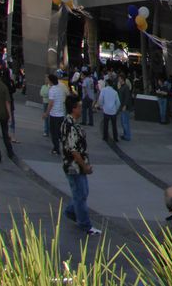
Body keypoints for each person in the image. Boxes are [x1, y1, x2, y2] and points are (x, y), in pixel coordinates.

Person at [60, 95, 102, 236]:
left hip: (73, 166)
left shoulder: (68, 123)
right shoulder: (71, 126)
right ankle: (85, 225)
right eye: (79, 106)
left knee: (81, 193)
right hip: (74, 167)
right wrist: (84, 166)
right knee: (80, 195)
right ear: (74, 108)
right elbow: (74, 151)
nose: (81, 109)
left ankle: (71, 211)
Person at [47, 71, 67, 156]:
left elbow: (51, 103)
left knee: (54, 132)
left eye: (48, 80)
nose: (47, 81)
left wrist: (46, 113)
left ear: (51, 81)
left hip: (54, 114)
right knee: (59, 132)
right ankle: (64, 147)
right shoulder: (60, 89)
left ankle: (56, 148)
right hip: (61, 113)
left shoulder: (52, 90)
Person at [98, 79, 120, 144]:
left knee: (106, 124)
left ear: (107, 83)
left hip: (106, 110)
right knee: (114, 125)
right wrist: (116, 109)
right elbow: (118, 102)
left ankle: (105, 137)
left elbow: (100, 99)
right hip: (113, 110)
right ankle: (115, 137)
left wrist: (102, 106)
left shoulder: (103, 90)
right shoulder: (115, 92)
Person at [118, 74, 134, 142]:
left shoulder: (126, 87)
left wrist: (125, 105)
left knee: (125, 122)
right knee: (123, 122)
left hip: (125, 107)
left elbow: (127, 97)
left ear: (122, 79)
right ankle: (125, 134)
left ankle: (127, 136)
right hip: (122, 106)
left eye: (119, 79)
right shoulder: (122, 87)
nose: (119, 80)